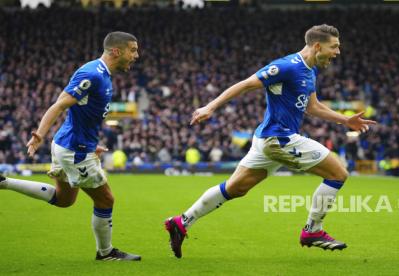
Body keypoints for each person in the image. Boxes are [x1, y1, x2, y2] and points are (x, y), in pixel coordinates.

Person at [165, 24, 376, 258]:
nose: (337, 52)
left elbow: (312, 107)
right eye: (334, 46)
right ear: (317, 46)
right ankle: (312, 231)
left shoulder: (310, 70)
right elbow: (246, 84)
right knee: (338, 174)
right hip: (279, 138)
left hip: (268, 139)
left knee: (235, 188)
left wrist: (345, 120)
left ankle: (181, 222)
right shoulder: (286, 66)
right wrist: (210, 106)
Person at [0, 32, 141, 261]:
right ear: (117, 51)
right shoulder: (92, 74)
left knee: (64, 199)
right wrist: (39, 135)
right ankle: (105, 253)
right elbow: (60, 104)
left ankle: (4, 182)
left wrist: (92, 145)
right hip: (75, 149)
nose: (136, 55)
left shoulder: (103, 74)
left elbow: (83, 114)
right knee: (105, 200)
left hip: (69, 144)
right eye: (133, 50)